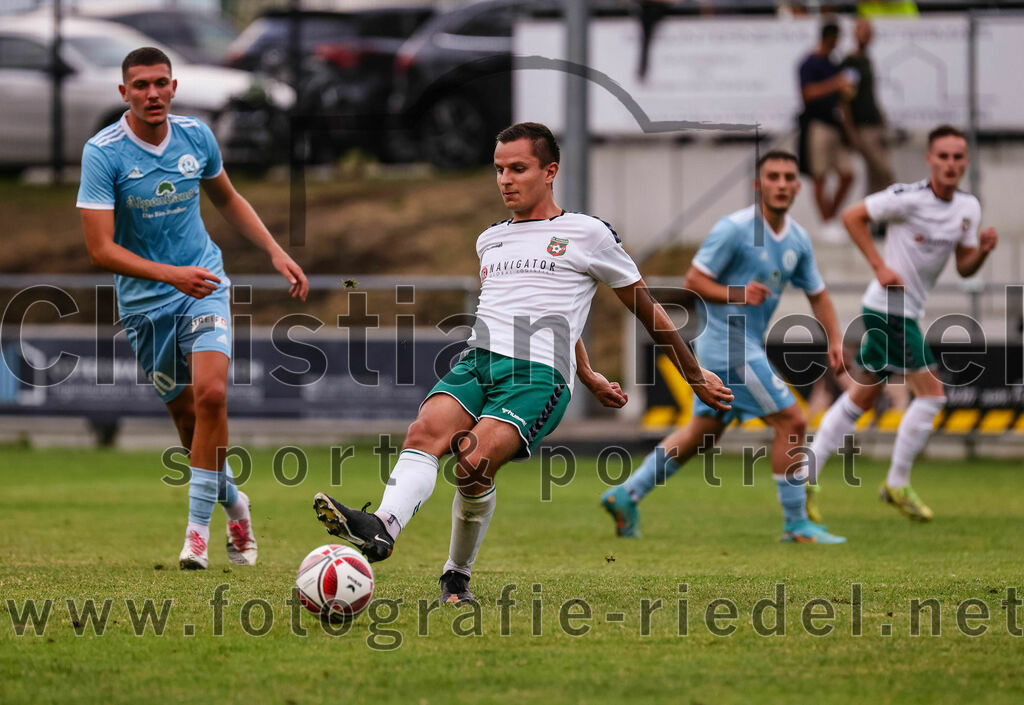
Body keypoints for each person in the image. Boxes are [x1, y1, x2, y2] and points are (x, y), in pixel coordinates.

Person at [312, 122, 733, 604]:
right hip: (478, 360)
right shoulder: (490, 239)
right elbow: (546, 309)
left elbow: (646, 307)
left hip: (536, 377)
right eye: (498, 170)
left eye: (518, 168)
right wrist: (590, 369)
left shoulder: (588, 233)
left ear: (550, 171)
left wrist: (693, 374)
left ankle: (456, 574)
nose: (505, 180)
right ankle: (383, 527)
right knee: (423, 434)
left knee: (471, 463)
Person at [77, 47, 309, 569]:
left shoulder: (196, 136)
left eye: (161, 83)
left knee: (211, 395)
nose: (153, 93)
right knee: (187, 423)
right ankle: (235, 503)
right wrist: (169, 275)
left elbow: (226, 197)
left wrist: (275, 250)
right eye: (141, 86)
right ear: (124, 94)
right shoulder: (104, 151)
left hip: (205, 284)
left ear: (174, 87)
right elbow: (101, 250)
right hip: (144, 304)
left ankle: (196, 536)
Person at [600, 150, 847, 544]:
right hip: (730, 349)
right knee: (793, 422)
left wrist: (834, 338)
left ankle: (626, 494)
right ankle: (797, 523)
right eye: (773, 177)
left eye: (788, 177)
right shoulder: (734, 229)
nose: (781, 184)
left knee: (702, 433)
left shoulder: (797, 239)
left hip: (742, 347)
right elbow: (694, 281)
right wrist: (738, 293)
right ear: (757, 185)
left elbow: (818, 293)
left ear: (798, 187)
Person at [808, 125, 998, 521]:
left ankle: (803, 477)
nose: (950, 164)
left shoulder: (968, 209)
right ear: (929, 159)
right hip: (888, 310)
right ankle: (896, 482)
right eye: (942, 156)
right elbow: (851, 215)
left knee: (860, 398)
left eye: (957, 157)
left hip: (903, 312)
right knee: (932, 394)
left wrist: (980, 253)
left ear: (965, 162)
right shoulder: (907, 198)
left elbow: (964, 268)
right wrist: (879, 266)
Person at [799, 21, 856, 237]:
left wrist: (849, 129)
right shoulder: (809, 63)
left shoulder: (834, 63)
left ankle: (831, 218)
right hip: (818, 125)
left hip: (836, 125)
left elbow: (843, 100)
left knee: (848, 174)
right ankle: (826, 223)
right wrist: (835, 83)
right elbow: (807, 93)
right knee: (819, 176)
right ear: (828, 37)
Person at [840, 18, 895, 199]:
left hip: (875, 123)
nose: (865, 35)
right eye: (862, 31)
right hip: (862, 127)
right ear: (855, 34)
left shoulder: (867, 60)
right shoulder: (850, 62)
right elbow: (844, 100)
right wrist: (850, 131)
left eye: (868, 32)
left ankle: (874, 220)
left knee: (876, 177)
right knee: (884, 172)